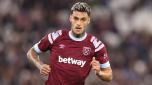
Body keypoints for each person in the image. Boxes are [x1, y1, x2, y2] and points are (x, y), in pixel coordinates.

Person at [27, 2, 113, 85]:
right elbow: (31, 52)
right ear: (70, 18)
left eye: (83, 19)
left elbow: (109, 75)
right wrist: (40, 66)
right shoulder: (56, 37)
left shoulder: (96, 45)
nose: (78, 23)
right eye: (76, 18)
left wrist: (99, 73)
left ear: (88, 21)